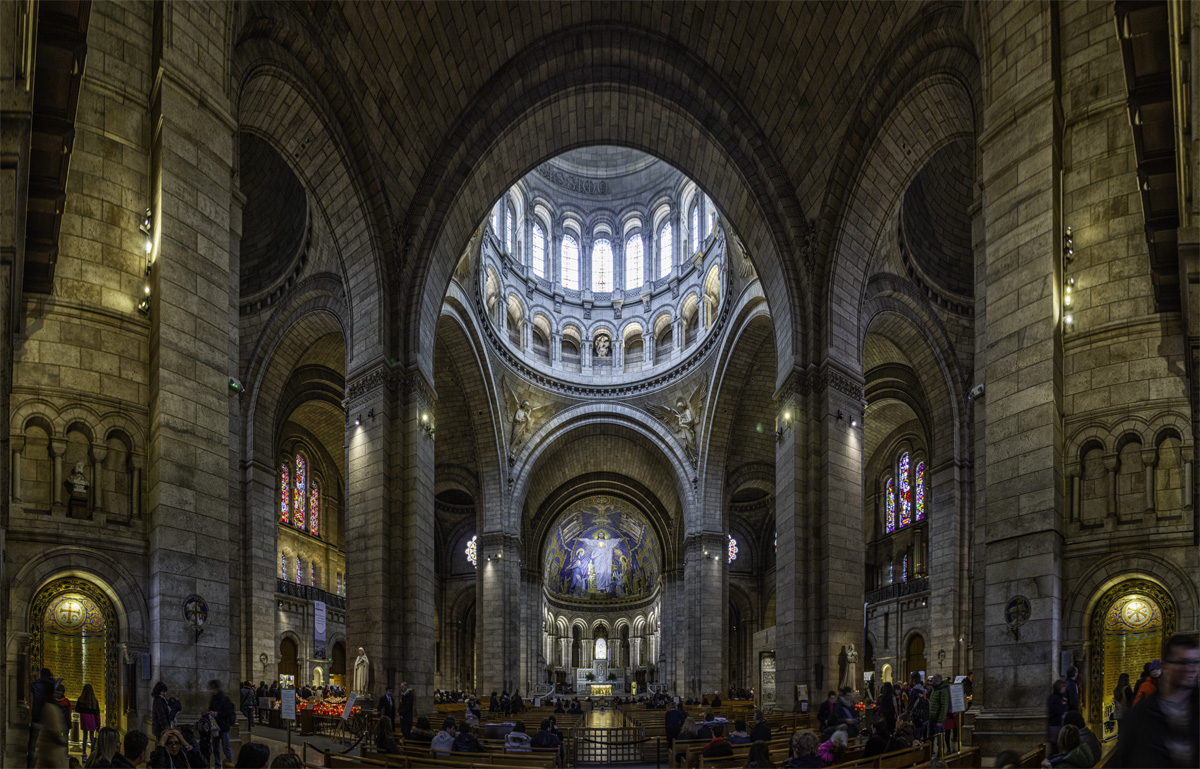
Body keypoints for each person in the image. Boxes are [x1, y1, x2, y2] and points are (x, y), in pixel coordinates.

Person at [1112, 633, 1198, 768]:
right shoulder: (1138, 717)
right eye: (1182, 662)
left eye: (1195, 662)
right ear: (1165, 666)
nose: (1191, 669)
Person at [207, 680, 236, 767]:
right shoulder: (213, 698)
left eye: (214, 689)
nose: (212, 691)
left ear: (217, 689)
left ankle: (229, 765)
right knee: (216, 747)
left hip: (223, 727)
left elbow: (229, 712)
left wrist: (216, 713)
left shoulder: (224, 699)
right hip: (215, 726)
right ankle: (218, 764)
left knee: (226, 748)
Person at [77, 683, 102, 762]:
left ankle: (84, 754)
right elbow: (97, 713)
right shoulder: (95, 701)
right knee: (92, 737)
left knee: (84, 737)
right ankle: (92, 754)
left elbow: (77, 709)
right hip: (92, 720)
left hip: (84, 719)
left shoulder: (81, 699)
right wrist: (98, 724)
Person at [928, 674, 950, 748]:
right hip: (932, 718)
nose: (931, 680)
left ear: (936, 680)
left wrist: (940, 721)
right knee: (930, 738)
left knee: (939, 739)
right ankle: (930, 754)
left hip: (938, 719)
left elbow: (944, 707)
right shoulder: (935, 689)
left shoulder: (943, 690)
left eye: (933, 679)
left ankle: (940, 755)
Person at [1046, 679, 1069, 745]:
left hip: (1059, 725)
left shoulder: (1061, 697)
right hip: (1055, 725)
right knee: (1056, 746)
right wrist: (1063, 704)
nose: (1065, 688)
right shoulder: (1054, 698)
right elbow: (1057, 711)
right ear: (1059, 687)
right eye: (1063, 687)